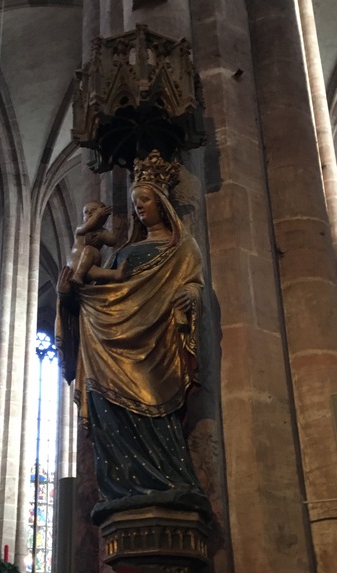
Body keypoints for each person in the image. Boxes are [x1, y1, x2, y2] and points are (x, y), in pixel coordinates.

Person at [56, 150, 211, 526]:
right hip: (108, 345)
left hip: (157, 348)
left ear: (162, 204)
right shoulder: (122, 252)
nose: (139, 207)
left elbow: (194, 284)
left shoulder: (181, 248)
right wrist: (67, 295)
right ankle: (120, 490)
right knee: (110, 411)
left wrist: (190, 294)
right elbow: (100, 294)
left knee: (156, 411)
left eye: (145, 200)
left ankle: (169, 481)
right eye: (135, 202)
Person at [67, 200, 128, 285]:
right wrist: (98, 214)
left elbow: (113, 241)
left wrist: (102, 237)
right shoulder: (80, 230)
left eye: (94, 210)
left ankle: (78, 276)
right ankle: (115, 274)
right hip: (74, 263)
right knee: (91, 272)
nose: (90, 213)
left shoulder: (102, 231)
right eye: (86, 212)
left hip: (92, 259)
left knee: (89, 250)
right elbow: (89, 224)